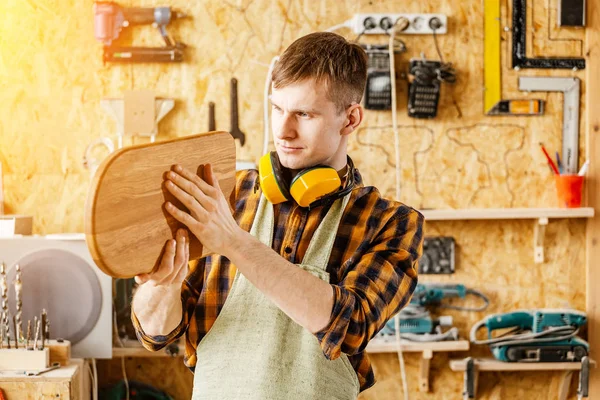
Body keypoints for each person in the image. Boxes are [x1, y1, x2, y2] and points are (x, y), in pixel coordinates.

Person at [131, 31, 424, 399]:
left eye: (304, 113)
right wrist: (162, 286)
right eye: (277, 108)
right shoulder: (224, 197)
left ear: (350, 119)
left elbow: (349, 327)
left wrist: (234, 241)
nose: (283, 131)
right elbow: (157, 334)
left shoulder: (389, 223)